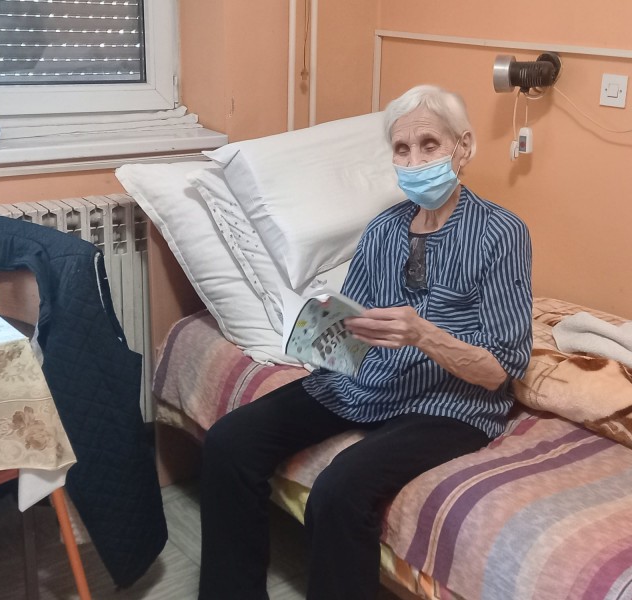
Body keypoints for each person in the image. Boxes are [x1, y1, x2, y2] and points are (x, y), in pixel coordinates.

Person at [198, 84, 533, 600]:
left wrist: (423, 334)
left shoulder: (502, 234)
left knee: (338, 490)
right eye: (402, 149)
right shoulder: (382, 230)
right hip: (366, 383)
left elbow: (499, 373)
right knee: (229, 442)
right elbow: (348, 331)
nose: (415, 161)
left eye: (429, 145)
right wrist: (313, 332)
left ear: (463, 148)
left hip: (448, 403)